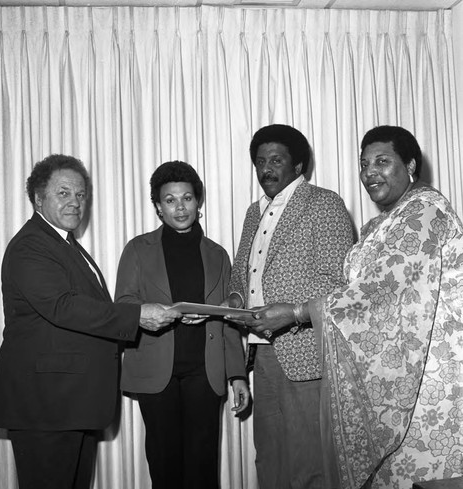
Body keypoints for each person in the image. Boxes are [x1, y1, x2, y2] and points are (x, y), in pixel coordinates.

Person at [240, 125, 463, 488]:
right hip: (393, 376)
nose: (369, 171)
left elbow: (381, 288)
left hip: (428, 379)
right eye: (363, 163)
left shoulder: (425, 209)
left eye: (382, 161)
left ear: (410, 165)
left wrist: (298, 313)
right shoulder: (378, 223)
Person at [0, 154, 180, 489]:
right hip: (46, 405)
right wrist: (138, 314)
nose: (75, 202)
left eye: (80, 194)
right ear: (38, 198)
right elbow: (63, 307)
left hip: (71, 403)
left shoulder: (65, 245)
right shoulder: (31, 246)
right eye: (63, 193)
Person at [225, 124, 355, 489]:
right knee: (269, 458)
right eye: (260, 161)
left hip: (307, 350)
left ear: (298, 166)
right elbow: (241, 272)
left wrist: (292, 312)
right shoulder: (254, 212)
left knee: (309, 461)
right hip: (263, 355)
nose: (266, 168)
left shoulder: (324, 203)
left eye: (276, 160)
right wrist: (237, 297)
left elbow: (337, 281)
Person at [114, 160, 249, 489]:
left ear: (198, 201)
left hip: (205, 371)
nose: (180, 207)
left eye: (187, 198)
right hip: (155, 369)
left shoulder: (217, 254)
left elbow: (228, 317)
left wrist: (237, 375)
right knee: (164, 463)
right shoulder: (137, 249)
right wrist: (157, 311)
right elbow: (124, 305)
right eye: (170, 200)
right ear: (158, 207)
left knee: (203, 464)